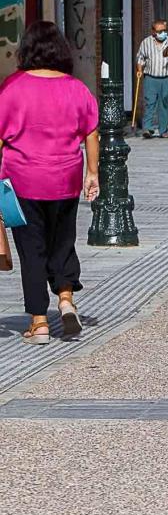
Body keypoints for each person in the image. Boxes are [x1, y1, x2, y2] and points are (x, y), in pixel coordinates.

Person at [0, 22, 98, 344]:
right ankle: (66, 299)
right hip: (66, 178)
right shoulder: (76, 88)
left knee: (32, 249)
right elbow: (90, 132)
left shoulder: (12, 87)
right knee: (62, 240)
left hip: (22, 181)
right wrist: (92, 173)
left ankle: (39, 322)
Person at [134, 18, 168, 139]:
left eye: (164, 30)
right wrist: (139, 70)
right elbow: (140, 57)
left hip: (166, 78)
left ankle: (163, 130)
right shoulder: (146, 43)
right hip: (150, 77)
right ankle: (148, 128)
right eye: (159, 31)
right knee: (150, 103)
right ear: (153, 32)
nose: (162, 33)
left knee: (164, 104)